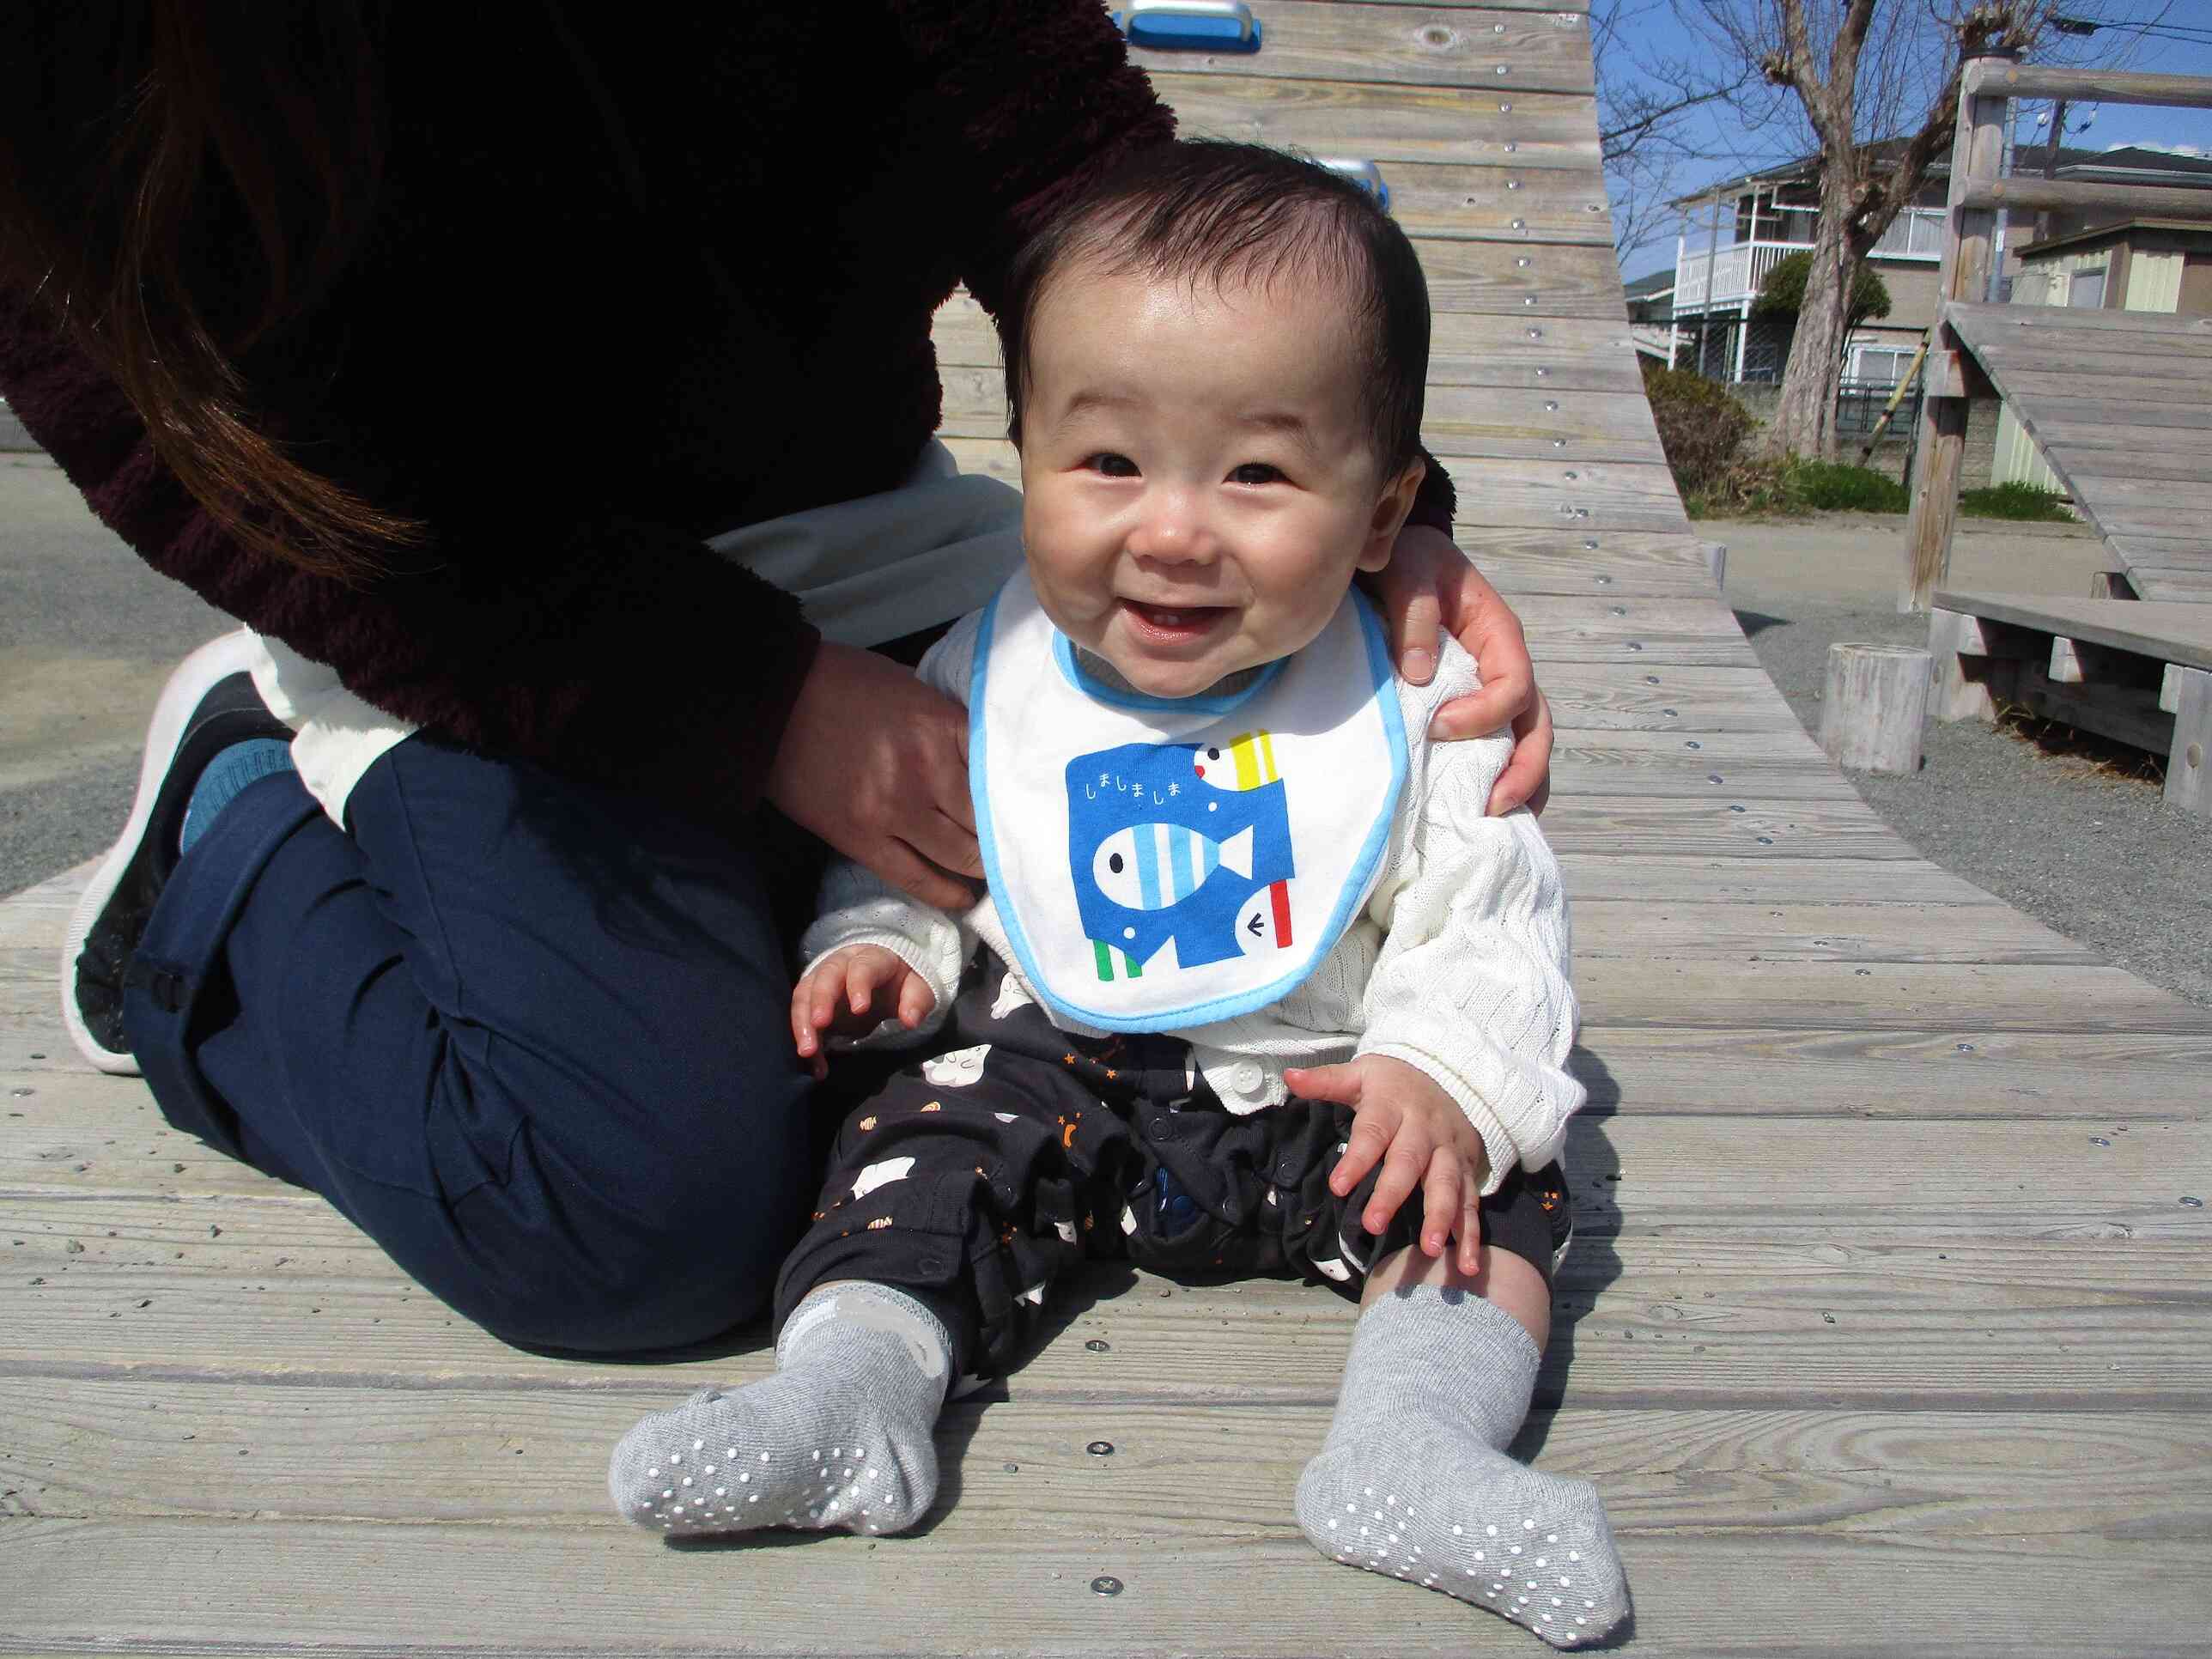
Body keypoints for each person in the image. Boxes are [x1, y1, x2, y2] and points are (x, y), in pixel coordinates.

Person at [0, 4, 1550, 1358]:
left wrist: (1357, 527)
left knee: (864, 1061)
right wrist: (752, 703)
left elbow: (1074, 177)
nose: (1176, 531)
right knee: (642, 1209)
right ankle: (228, 856)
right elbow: (163, 421)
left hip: (866, 530)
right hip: (458, 601)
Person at [607, 143, 1626, 1649]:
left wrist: (1441, 1073)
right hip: (1055, 1064)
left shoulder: (1413, 695)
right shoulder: (990, 661)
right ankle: (853, 1394)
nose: (1169, 528)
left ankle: (1412, 1448)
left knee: (1503, 1186)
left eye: (1260, 473)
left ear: (1383, 506)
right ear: (1020, 445)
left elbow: (1490, 911)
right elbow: (936, 841)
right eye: (1106, 462)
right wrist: (882, 941)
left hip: (1325, 1086)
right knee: (911, 1136)